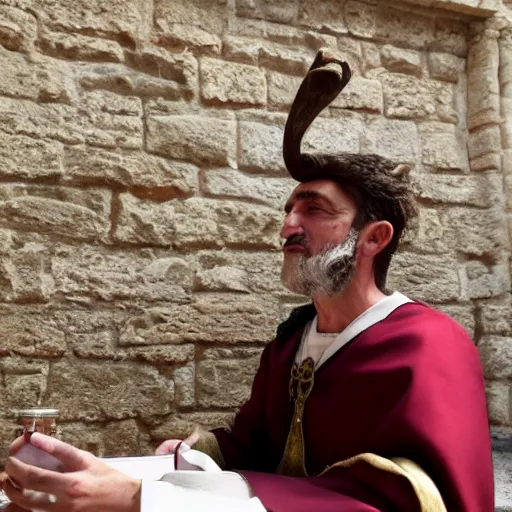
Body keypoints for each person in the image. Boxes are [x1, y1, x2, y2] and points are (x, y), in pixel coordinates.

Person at [1, 49, 494, 512]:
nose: (288, 227)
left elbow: (406, 499)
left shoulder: (429, 346)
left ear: (373, 239)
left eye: (314, 210)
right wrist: (198, 450)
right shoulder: (290, 344)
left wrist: (141, 498)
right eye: (288, 211)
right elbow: (259, 444)